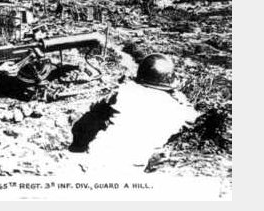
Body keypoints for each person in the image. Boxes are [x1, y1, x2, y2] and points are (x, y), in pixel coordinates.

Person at [70, 53, 198, 176]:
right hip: (132, 166)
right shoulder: (176, 108)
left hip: (97, 156)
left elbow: (96, 107)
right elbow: (193, 119)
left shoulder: (123, 92)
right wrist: (179, 97)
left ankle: (78, 144)